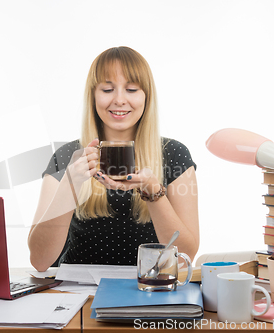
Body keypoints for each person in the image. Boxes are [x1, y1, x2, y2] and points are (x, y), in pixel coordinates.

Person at [28, 46, 199, 272]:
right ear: (93, 95)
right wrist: (71, 183)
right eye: (108, 89)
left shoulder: (174, 153)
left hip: (148, 289)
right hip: (78, 293)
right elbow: (40, 261)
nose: (119, 100)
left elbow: (184, 257)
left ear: (146, 96)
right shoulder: (69, 157)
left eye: (131, 89)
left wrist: (152, 190)